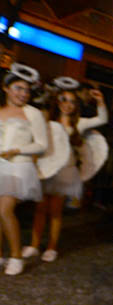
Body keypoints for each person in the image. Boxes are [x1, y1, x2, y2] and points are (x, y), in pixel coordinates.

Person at [26, 80, 107, 262]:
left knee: (55, 211)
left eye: (72, 101)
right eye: (64, 100)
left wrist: (100, 101)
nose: (67, 105)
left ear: (76, 105)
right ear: (57, 101)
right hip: (46, 169)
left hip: (65, 172)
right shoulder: (48, 119)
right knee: (39, 209)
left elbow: (102, 119)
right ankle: (33, 245)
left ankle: (52, 247)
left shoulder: (79, 123)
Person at [0, 63, 48, 275]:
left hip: (19, 167)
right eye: (18, 88)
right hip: (0, 165)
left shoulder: (33, 113)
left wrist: (17, 149)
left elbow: (42, 144)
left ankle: (16, 256)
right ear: (6, 88)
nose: (23, 93)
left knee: (5, 210)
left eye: (27, 90)